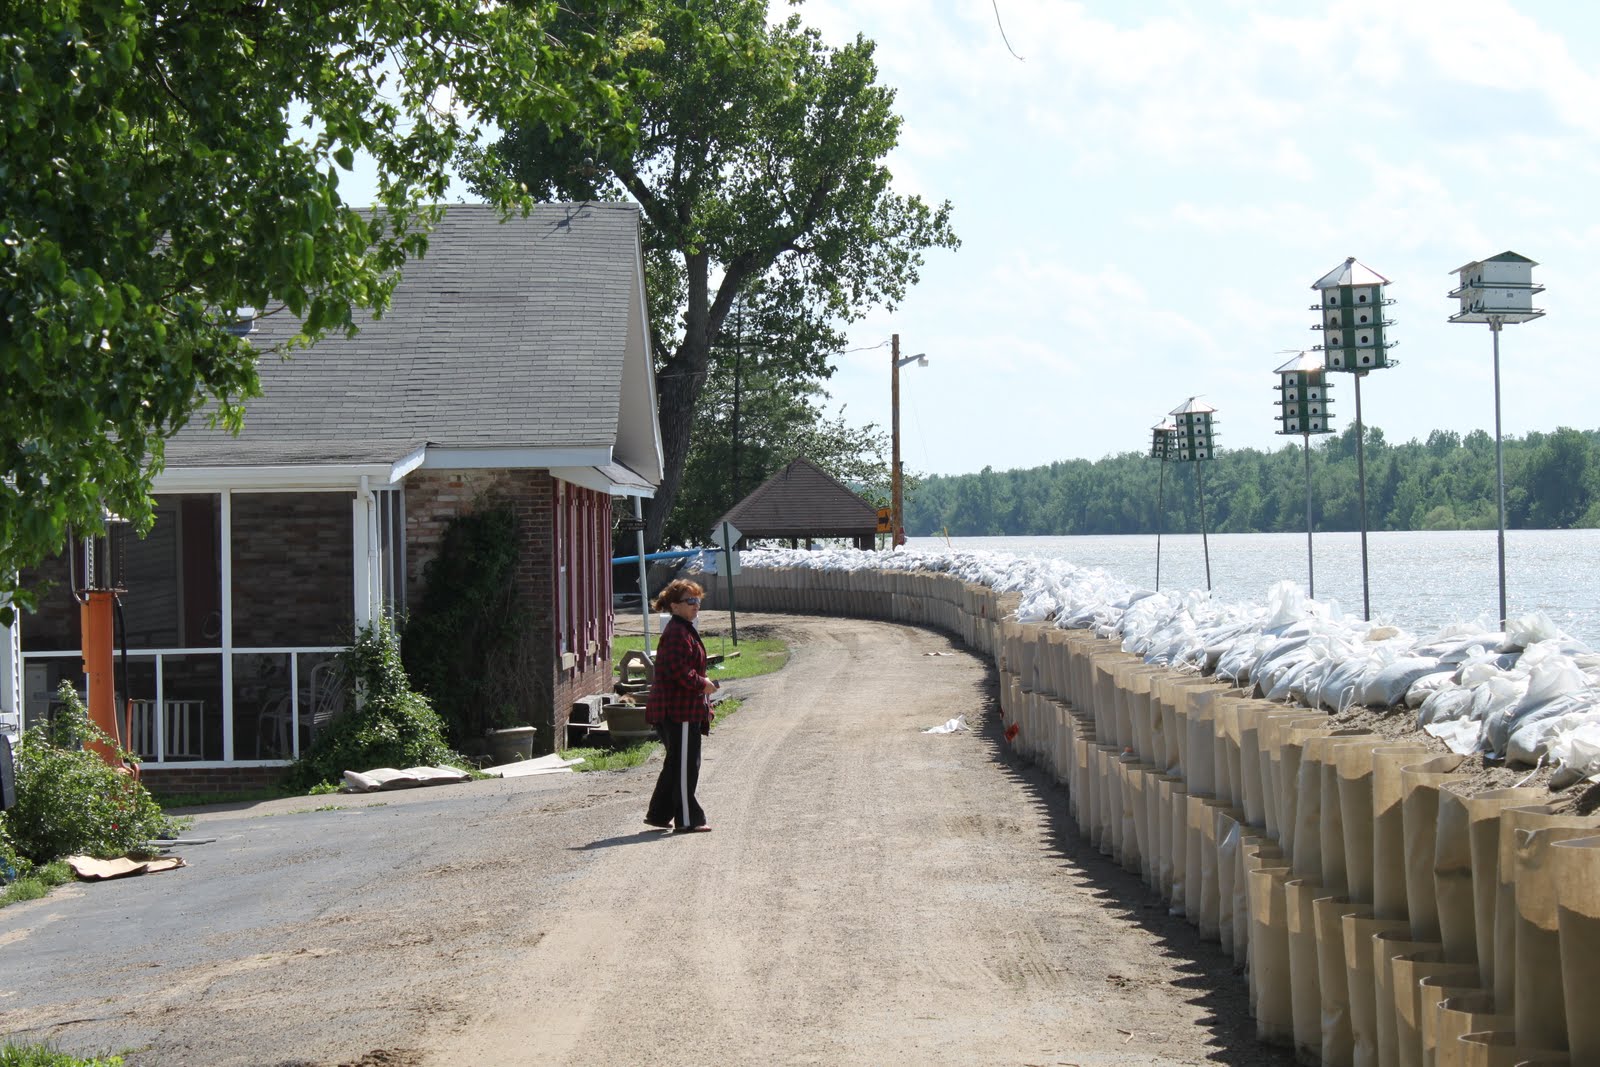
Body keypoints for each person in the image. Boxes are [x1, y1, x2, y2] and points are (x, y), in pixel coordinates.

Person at [643, 578, 718, 833]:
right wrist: (703, 684)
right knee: (686, 766)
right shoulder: (677, 632)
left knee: (676, 763)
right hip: (679, 711)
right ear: (674, 606)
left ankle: (659, 814)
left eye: (698, 600)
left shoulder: (682, 628)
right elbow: (678, 671)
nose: (696, 605)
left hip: (680, 709)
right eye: (690, 601)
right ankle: (687, 819)